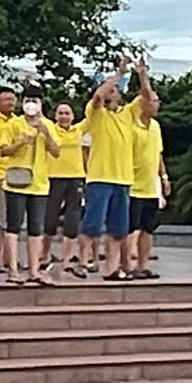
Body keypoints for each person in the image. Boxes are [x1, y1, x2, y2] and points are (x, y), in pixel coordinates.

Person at [0, 87, 46, 284]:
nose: (10, 103)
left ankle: (20, 264)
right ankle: (2, 260)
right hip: (3, 176)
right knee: (1, 221)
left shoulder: (26, 121)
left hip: (31, 180)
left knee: (27, 224)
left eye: (12, 99)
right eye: (6, 100)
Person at [80, 61, 138, 281]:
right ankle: (83, 262)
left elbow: (147, 100)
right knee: (92, 224)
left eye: (113, 90)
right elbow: (97, 97)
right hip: (100, 177)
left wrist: (140, 75)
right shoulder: (95, 113)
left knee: (118, 228)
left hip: (122, 178)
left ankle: (111, 268)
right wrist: (118, 74)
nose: (109, 92)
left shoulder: (128, 114)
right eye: (107, 89)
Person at [123, 73, 166, 280]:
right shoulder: (131, 122)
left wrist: (163, 177)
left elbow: (158, 154)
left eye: (157, 101)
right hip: (132, 185)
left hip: (150, 187)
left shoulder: (156, 127)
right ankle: (127, 265)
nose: (156, 105)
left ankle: (143, 265)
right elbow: (144, 93)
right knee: (130, 228)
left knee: (148, 229)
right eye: (154, 101)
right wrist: (142, 75)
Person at [41, 102, 88, 278]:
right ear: (55, 116)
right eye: (60, 113)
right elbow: (37, 117)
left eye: (67, 113)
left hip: (75, 177)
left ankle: (67, 259)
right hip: (53, 177)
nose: (64, 116)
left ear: (73, 116)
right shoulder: (50, 128)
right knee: (50, 218)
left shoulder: (78, 130)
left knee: (72, 219)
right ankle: (44, 254)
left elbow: (92, 116)